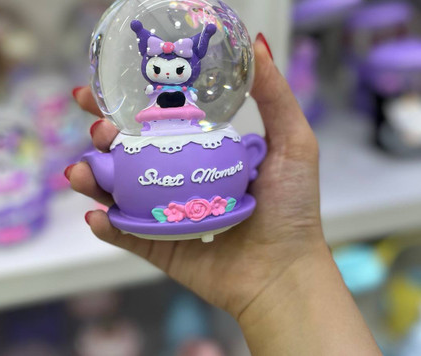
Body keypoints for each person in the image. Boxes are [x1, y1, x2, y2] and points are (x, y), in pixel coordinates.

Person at [65, 33, 382, 355]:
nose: (168, 73)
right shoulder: (145, 118)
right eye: (159, 69)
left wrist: (283, 272)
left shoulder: (206, 121)